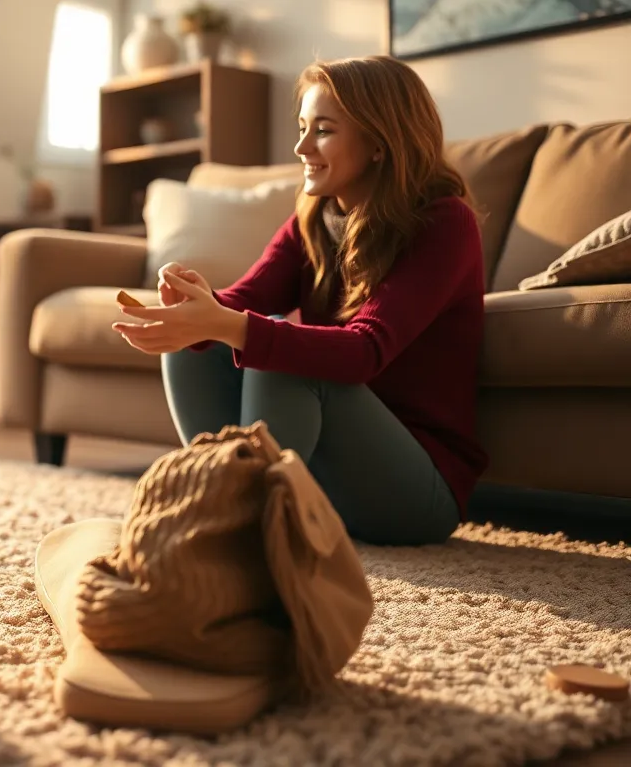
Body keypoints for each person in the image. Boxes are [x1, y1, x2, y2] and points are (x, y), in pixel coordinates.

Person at [111, 55, 488, 546]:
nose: (301, 146)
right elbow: (243, 301)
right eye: (303, 127)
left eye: (323, 131)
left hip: (417, 494)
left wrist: (229, 323)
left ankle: (238, 529)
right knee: (201, 341)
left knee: (285, 351)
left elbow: (364, 351)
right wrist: (195, 306)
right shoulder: (314, 218)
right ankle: (223, 505)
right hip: (330, 485)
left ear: (379, 142)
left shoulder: (444, 223)